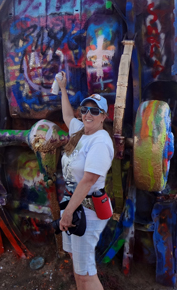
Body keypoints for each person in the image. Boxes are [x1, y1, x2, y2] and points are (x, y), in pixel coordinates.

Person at [56, 71, 114, 290]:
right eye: (85, 109)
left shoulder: (100, 141)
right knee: (77, 263)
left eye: (94, 111)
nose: (88, 114)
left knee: (86, 273)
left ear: (103, 116)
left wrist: (68, 213)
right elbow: (67, 118)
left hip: (86, 210)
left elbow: (88, 180)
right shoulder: (80, 130)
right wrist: (62, 88)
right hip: (73, 205)